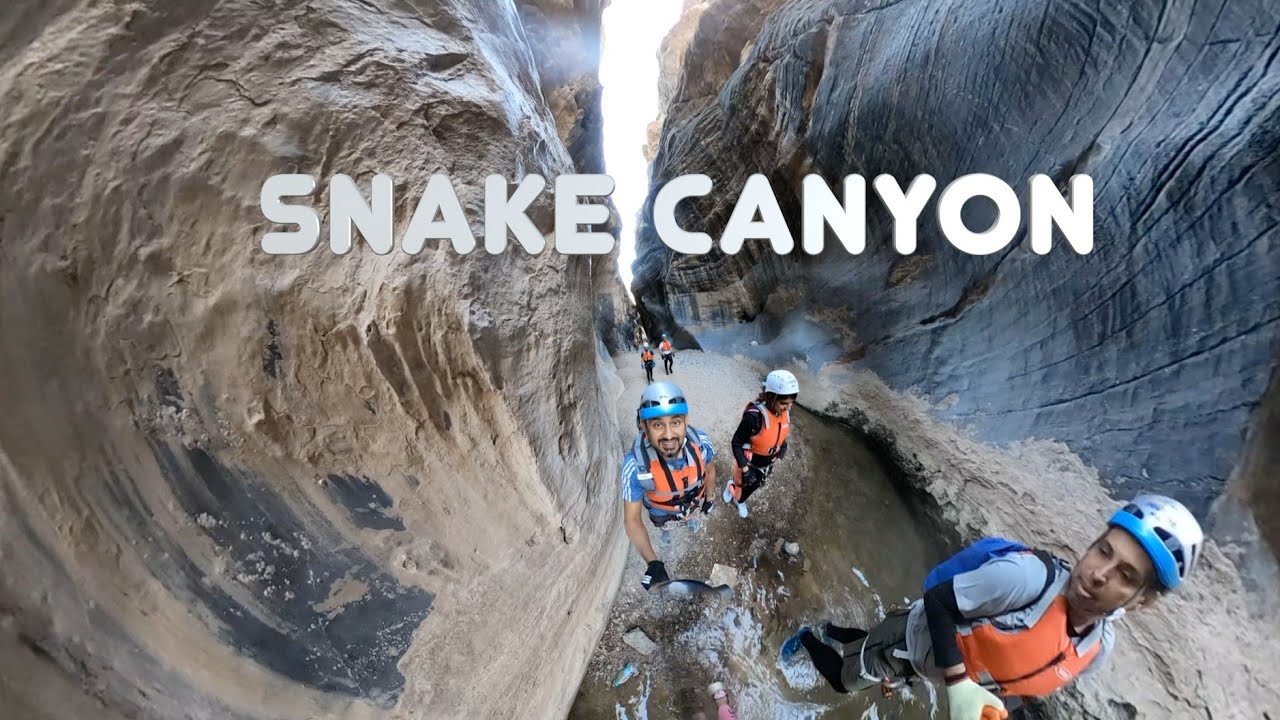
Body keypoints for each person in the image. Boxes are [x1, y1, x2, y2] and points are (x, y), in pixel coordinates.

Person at [783, 495, 1205, 720]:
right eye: (1102, 550)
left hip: (922, 664)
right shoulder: (1024, 580)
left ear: (1143, 601)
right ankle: (809, 636)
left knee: (868, 653)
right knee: (842, 680)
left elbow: (1018, 685)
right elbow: (938, 600)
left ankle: (832, 632)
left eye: (1126, 576)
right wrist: (956, 683)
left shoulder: (1094, 650)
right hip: (913, 638)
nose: (1098, 574)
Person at [620, 381, 719, 590]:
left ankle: (688, 520)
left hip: (692, 501)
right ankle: (666, 530)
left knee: (691, 514)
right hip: (661, 511)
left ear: (685, 421)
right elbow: (632, 519)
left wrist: (709, 498)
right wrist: (653, 563)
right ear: (644, 427)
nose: (668, 435)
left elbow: (709, 470)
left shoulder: (701, 443)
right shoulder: (634, 467)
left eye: (675, 422)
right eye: (657, 425)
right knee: (663, 523)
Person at [722, 370, 798, 518]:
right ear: (771, 396)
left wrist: (780, 454)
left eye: (791, 403)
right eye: (783, 403)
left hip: (767, 463)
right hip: (749, 463)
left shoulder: (784, 414)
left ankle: (740, 500)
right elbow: (736, 443)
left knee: (754, 485)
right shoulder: (753, 416)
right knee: (741, 483)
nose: (788, 408)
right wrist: (745, 469)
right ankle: (730, 486)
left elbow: (780, 438)